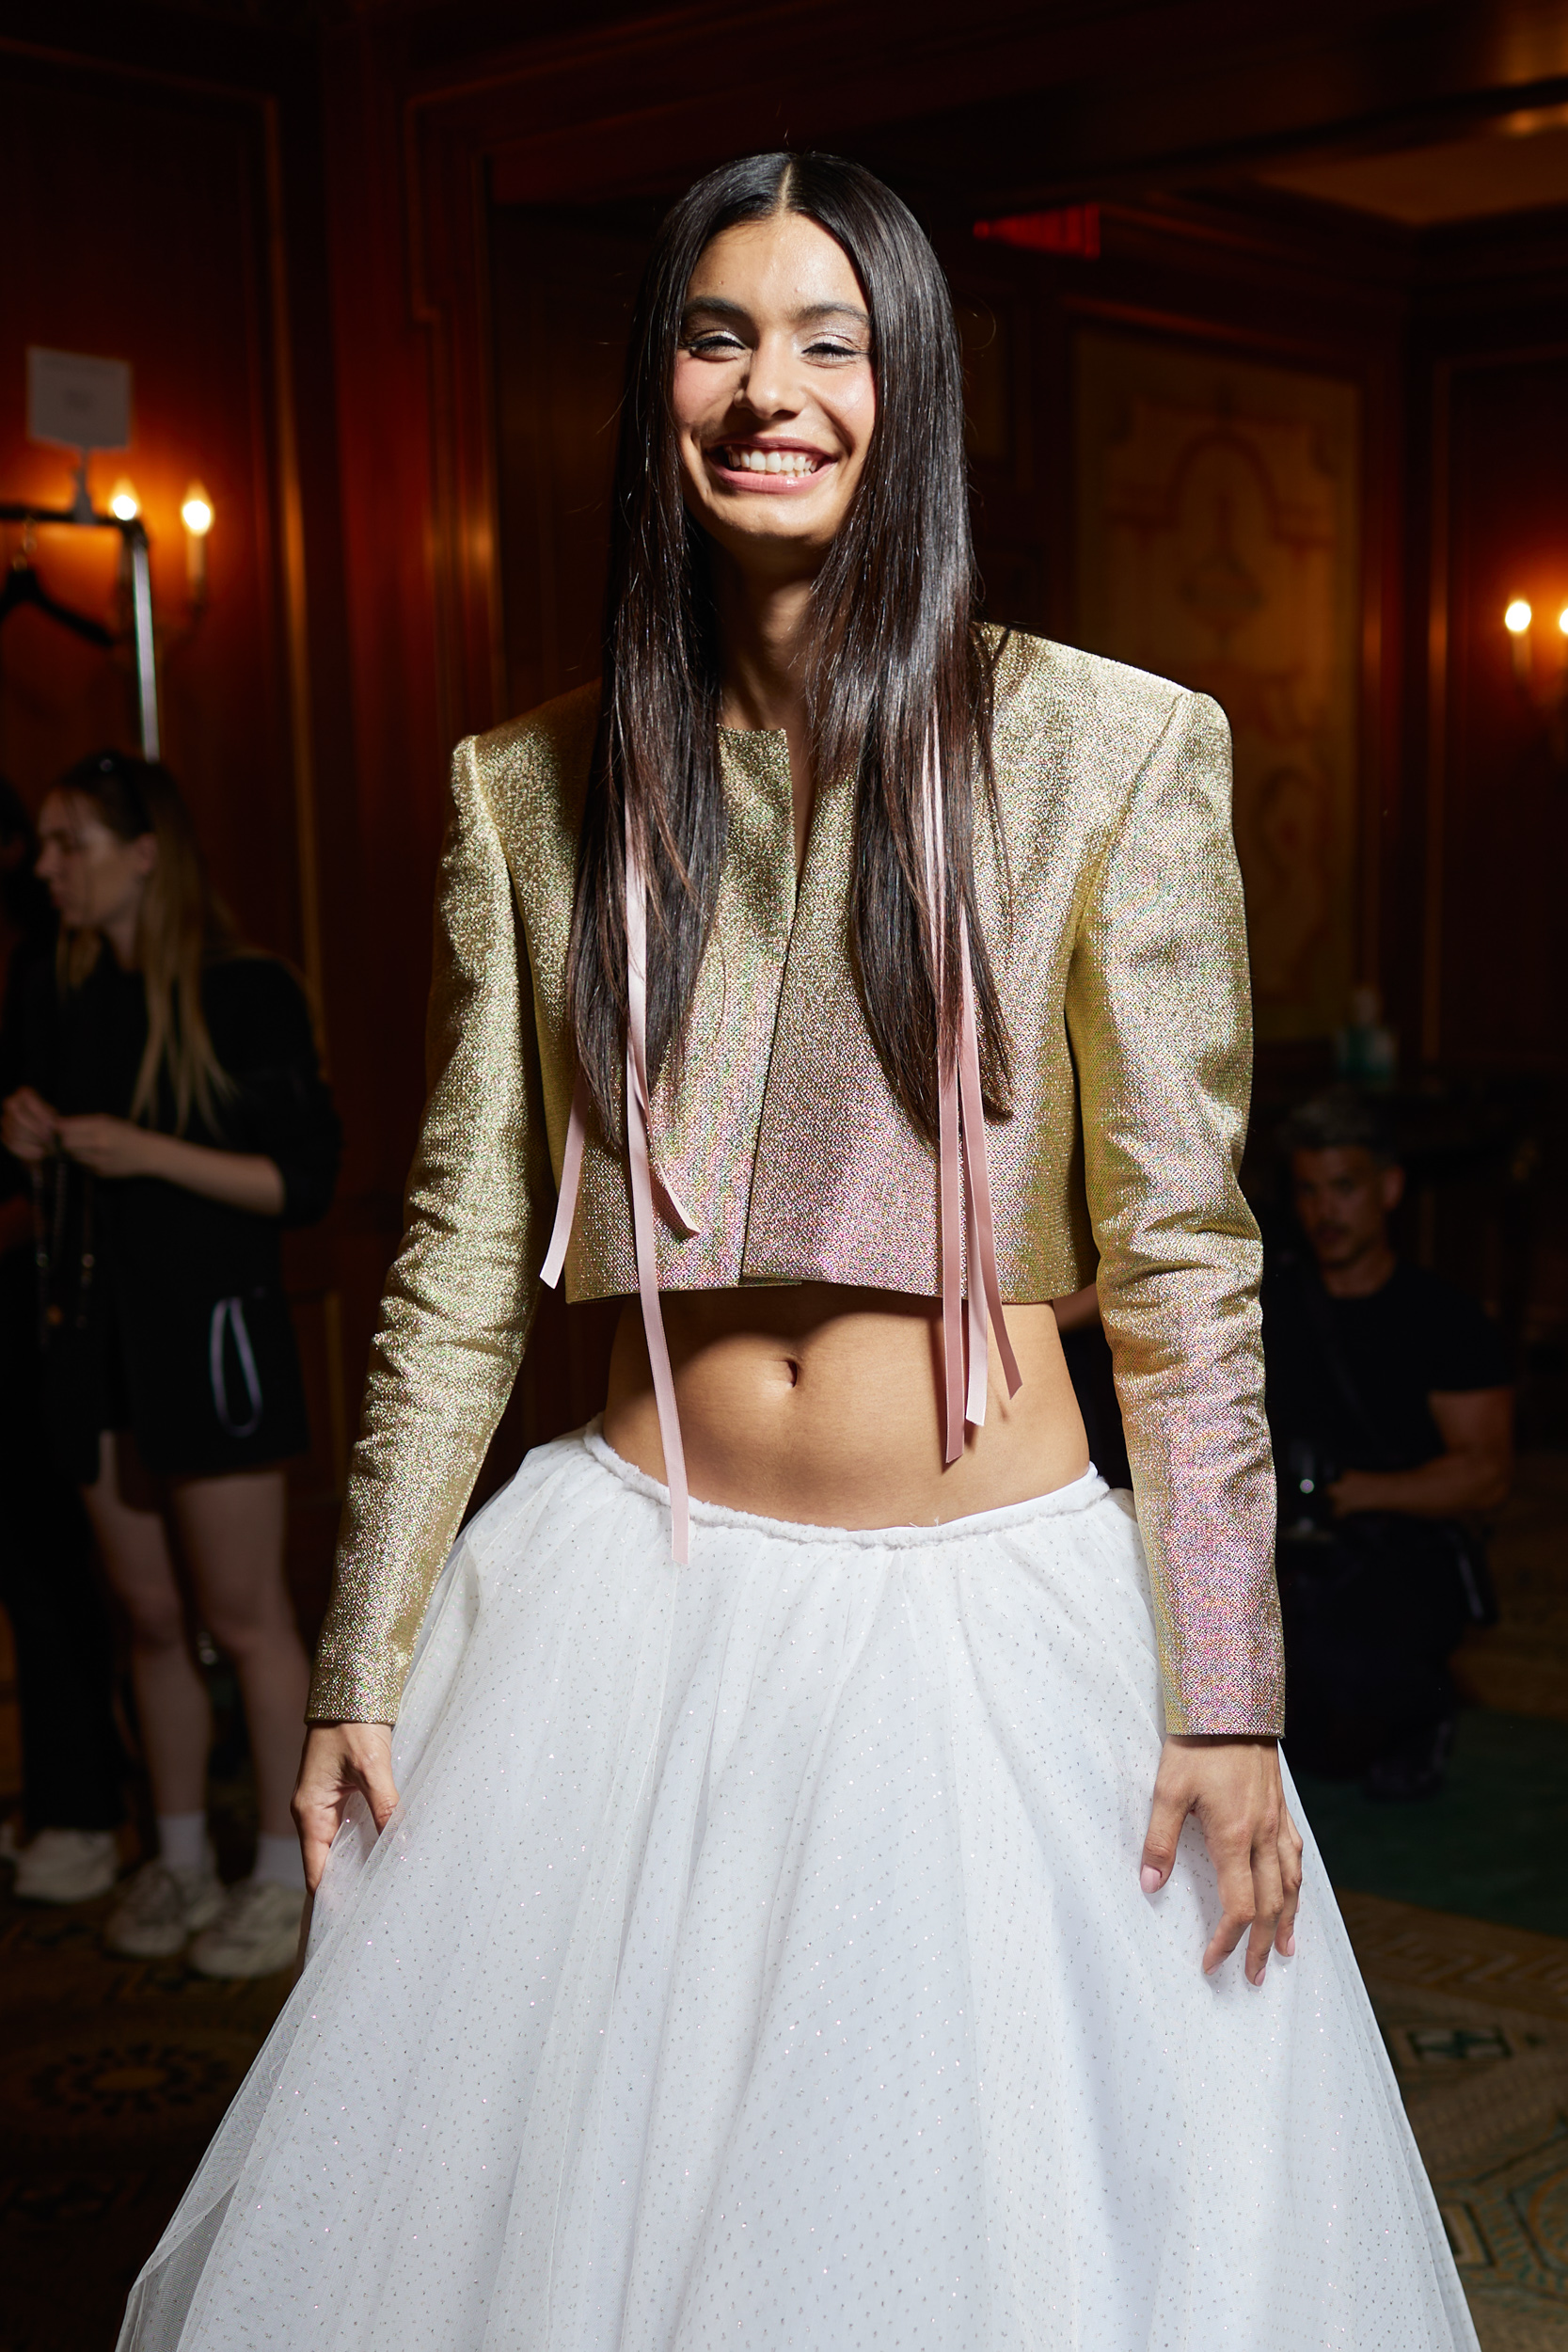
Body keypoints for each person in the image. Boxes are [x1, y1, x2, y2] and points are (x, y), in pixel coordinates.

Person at [119, 155, 1475, 2350]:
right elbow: (464, 1241)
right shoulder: (526, 790)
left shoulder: (1108, 751)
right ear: (654, 383)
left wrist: (1229, 1688)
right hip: (617, 1615)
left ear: (910, 387)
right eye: (719, 332)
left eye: (831, 341)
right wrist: (362, 1643)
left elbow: (1186, 1261)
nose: (775, 390)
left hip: (980, 1640)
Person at [0, 751, 341, 1976]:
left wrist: (145, 1152)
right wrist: (23, 1132)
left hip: (213, 1338)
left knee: (243, 1620)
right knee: (147, 1617)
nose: (46, 870)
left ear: (147, 852)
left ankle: (282, 1873)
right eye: (43, 846)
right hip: (94, 1345)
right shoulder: (54, 987)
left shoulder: (244, 992)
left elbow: (300, 1184)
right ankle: (181, 1856)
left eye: (68, 843)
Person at [1266, 1088, 1513, 1799]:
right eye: (1309, 1191)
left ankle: (1418, 1711)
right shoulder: (1271, 1304)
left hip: (1401, 1551)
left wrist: (1350, 1493)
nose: (1324, 1212)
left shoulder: (1443, 1318)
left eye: (1343, 1188)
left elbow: (1485, 1475)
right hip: (1285, 1550)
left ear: (1389, 1188)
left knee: (1356, 1680)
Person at [0, 774, 127, 1901]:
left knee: (58, 1562)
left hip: (103, 1308)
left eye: (65, 843)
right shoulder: (50, 961)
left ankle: (85, 1808)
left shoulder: (69, 960)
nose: (47, 867)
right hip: (52, 1287)